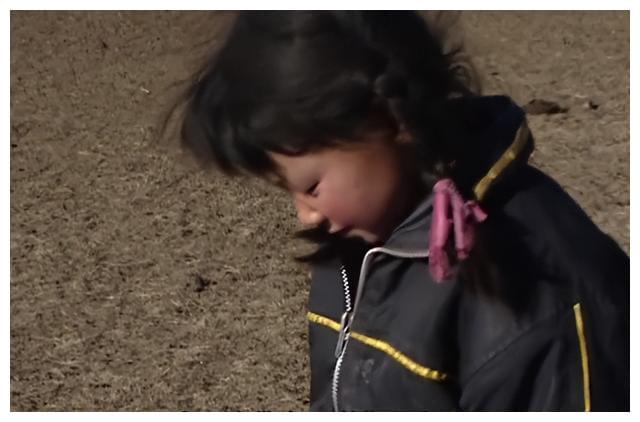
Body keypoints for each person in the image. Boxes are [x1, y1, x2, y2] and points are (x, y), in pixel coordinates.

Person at [173, 11, 629, 411]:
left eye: (311, 187)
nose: (306, 216)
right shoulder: (357, 243)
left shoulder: (540, 295)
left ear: (394, 119)